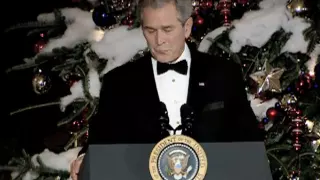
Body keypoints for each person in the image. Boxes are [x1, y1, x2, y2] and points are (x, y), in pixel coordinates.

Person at [70, 0, 264, 179]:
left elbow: (248, 141)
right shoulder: (118, 81)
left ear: (187, 28)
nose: (159, 40)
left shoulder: (224, 74)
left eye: (167, 29)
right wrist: (84, 158)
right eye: (150, 30)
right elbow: (102, 139)